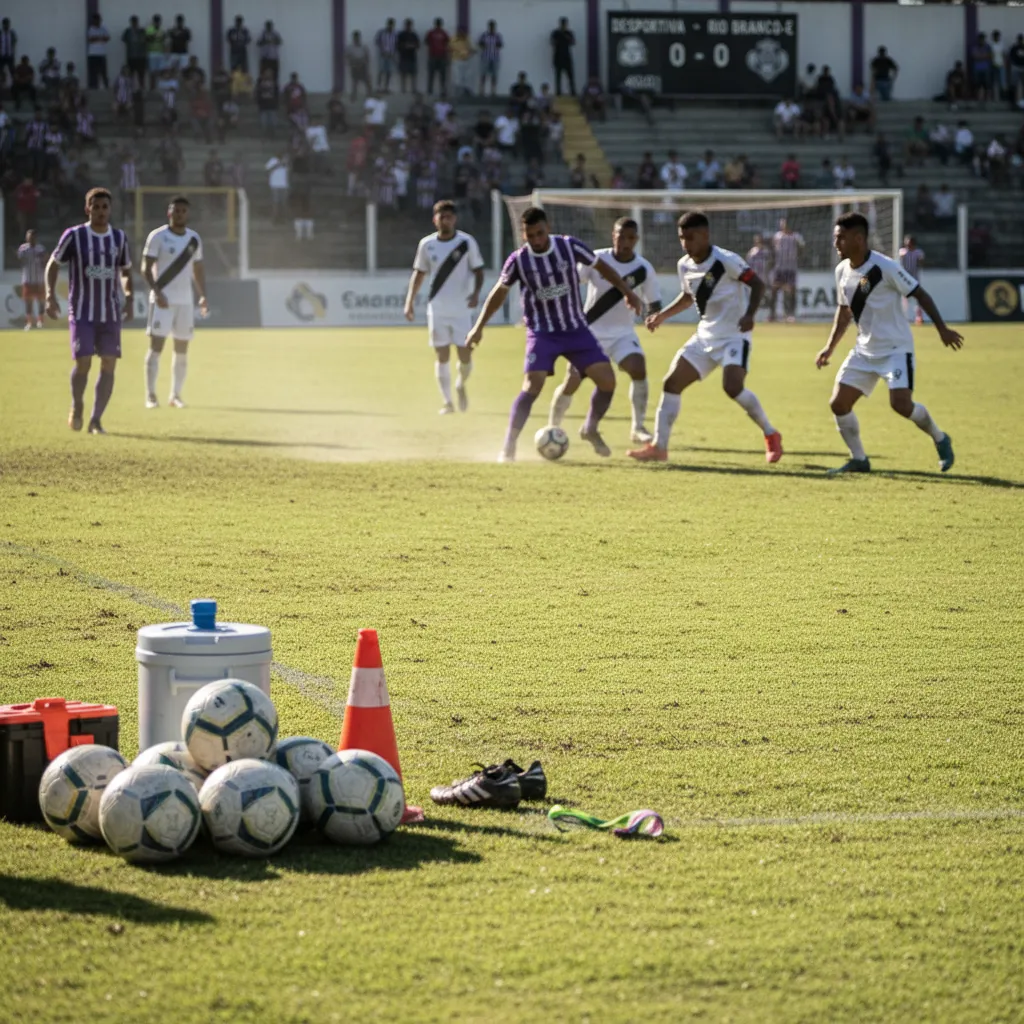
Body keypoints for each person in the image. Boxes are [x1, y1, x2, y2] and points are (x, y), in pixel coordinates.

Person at [468, 206, 642, 462]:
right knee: (532, 385)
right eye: (530, 235)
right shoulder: (518, 260)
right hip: (542, 333)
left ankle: (590, 427)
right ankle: (509, 445)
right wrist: (478, 327)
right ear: (523, 233)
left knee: (608, 382)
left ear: (548, 228)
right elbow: (499, 293)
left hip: (575, 329)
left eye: (540, 233)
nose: (536, 240)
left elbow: (602, 267)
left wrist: (628, 292)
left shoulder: (569, 246)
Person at [627, 211, 780, 465]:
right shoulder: (684, 265)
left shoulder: (726, 260)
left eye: (690, 237)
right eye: (681, 238)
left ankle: (771, 434)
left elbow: (758, 285)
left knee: (732, 387)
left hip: (734, 336)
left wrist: (750, 314)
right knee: (671, 383)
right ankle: (659, 447)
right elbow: (689, 297)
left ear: (705, 235)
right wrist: (662, 315)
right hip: (705, 335)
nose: (686, 243)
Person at [817, 211, 960, 475]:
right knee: (838, 404)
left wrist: (942, 329)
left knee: (901, 405)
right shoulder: (841, 271)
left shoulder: (886, 267)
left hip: (895, 349)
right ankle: (859, 459)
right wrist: (830, 347)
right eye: (836, 238)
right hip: (864, 350)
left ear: (858, 239)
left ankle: (940, 438)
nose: (836, 244)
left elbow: (920, 294)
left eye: (841, 238)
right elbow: (844, 311)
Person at [548, 217, 661, 444]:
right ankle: (552, 426)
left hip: (622, 334)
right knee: (572, 381)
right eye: (621, 237)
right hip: (590, 333)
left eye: (630, 238)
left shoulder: (643, 268)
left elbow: (654, 303)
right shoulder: (596, 259)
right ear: (613, 236)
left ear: (636, 240)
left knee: (638, 368)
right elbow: (570, 283)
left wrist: (652, 316)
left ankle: (637, 428)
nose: (625, 242)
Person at [45, 187, 134, 435]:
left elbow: (126, 270)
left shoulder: (119, 238)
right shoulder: (74, 235)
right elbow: (54, 263)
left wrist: (129, 296)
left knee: (108, 364)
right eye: (96, 207)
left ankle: (96, 420)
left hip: (110, 314)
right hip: (82, 312)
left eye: (105, 207)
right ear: (88, 209)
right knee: (83, 363)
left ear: (110, 210)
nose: (101, 211)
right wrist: (50, 295)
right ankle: (78, 403)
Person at [404, 200, 485, 415]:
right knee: (441, 355)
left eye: (449, 217)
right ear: (435, 220)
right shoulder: (426, 245)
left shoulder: (467, 242)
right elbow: (419, 273)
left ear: (454, 219)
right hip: (437, 309)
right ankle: (447, 402)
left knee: (465, 355)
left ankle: (460, 383)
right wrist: (409, 301)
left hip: (462, 309)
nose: (445, 220)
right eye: (442, 217)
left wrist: (476, 293)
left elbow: (478, 270)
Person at [142, 196, 207, 409]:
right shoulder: (158, 237)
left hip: (185, 302)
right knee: (156, 346)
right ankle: (151, 395)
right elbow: (145, 268)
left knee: (182, 349)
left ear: (188, 214)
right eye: (175, 210)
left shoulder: (194, 239)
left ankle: (175, 395)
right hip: (162, 301)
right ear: (169, 213)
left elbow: (197, 269)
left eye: (183, 211)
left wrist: (202, 295)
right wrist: (157, 292)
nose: (179, 214)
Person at [770, 217, 805, 322]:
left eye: (785, 223)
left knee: (791, 291)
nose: (783, 225)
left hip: (791, 268)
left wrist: (796, 257)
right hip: (779, 268)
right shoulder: (777, 236)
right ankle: (772, 314)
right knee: (774, 290)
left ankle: (791, 314)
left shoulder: (796, 236)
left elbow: (802, 248)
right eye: (782, 224)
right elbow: (773, 249)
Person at [18, 229, 47, 329]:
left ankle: (40, 321)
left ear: (35, 238)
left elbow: (45, 262)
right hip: (28, 279)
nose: (30, 239)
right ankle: (29, 322)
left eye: (32, 237)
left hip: (39, 279)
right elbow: (20, 262)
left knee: (41, 301)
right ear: (26, 238)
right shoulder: (23, 249)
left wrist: (43, 260)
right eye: (28, 237)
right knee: (28, 302)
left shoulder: (41, 249)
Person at [899, 235, 925, 325]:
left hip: (915, 279)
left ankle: (919, 318)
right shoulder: (903, 252)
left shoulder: (918, 253)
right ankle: (903, 318)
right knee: (904, 299)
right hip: (904, 279)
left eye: (909, 244)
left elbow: (922, 262)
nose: (908, 246)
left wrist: (920, 260)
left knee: (918, 299)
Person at [425, 18, 450, 97]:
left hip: (442, 57)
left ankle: (443, 91)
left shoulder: (444, 33)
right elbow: (426, 42)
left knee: (443, 76)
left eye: (439, 24)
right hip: (433, 56)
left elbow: (447, 44)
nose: (438, 25)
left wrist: (447, 57)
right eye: (437, 23)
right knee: (431, 75)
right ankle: (430, 90)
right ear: (435, 24)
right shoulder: (431, 33)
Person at [551, 18, 575, 97]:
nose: (564, 26)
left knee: (570, 75)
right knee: (558, 75)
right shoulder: (556, 33)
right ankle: (558, 92)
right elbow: (552, 42)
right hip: (558, 56)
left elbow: (573, 42)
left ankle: (573, 91)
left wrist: (566, 37)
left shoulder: (569, 33)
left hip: (567, 56)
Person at [478, 21, 502, 97]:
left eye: (493, 26)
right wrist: (484, 45)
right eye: (490, 26)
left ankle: (493, 91)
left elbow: (500, 45)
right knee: (483, 74)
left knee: (494, 75)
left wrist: (497, 45)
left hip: (495, 57)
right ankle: (482, 91)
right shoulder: (484, 35)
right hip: (485, 57)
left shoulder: (497, 36)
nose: (492, 28)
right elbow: (480, 44)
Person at [87, 13, 110, 90]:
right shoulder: (91, 29)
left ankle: (106, 85)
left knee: (103, 71)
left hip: (102, 53)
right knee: (93, 72)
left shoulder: (104, 28)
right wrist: (101, 38)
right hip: (93, 53)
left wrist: (97, 38)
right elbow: (91, 40)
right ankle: (93, 86)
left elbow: (107, 38)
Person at [122, 16, 147, 88]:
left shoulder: (142, 31)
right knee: (130, 74)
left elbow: (146, 40)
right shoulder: (127, 31)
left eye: (135, 22)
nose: (134, 23)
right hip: (131, 56)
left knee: (141, 75)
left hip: (141, 56)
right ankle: (130, 88)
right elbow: (124, 40)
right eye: (133, 22)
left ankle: (142, 89)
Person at [347, 31, 372, 101]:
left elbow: (367, 57)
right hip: (354, 67)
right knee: (355, 82)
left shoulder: (364, 47)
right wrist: (353, 63)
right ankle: (353, 97)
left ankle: (369, 96)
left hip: (363, 66)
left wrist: (363, 63)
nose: (356, 39)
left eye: (357, 37)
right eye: (355, 38)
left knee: (367, 82)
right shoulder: (350, 48)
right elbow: (347, 57)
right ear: (353, 38)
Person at [375, 19, 398, 93]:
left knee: (389, 72)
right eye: (389, 24)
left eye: (392, 25)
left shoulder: (395, 34)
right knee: (381, 71)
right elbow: (377, 42)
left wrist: (393, 54)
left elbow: (396, 44)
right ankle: (379, 87)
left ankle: (387, 88)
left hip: (391, 55)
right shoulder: (382, 33)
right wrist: (382, 50)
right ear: (387, 24)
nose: (390, 26)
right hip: (383, 55)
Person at [397, 19, 419, 93]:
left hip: (412, 57)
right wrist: (405, 46)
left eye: (410, 25)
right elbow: (397, 45)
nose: (408, 26)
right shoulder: (401, 35)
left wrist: (411, 46)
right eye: (407, 25)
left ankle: (413, 89)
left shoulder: (414, 35)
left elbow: (418, 45)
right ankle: (403, 89)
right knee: (403, 74)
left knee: (413, 75)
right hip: (403, 57)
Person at [145, 15, 166, 91]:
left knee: (160, 71)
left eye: (158, 21)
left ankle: (160, 87)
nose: (157, 23)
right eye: (156, 21)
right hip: (151, 53)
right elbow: (148, 39)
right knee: (152, 72)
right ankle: (152, 88)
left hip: (160, 53)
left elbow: (163, 39)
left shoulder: (162, 30)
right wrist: (156, 36)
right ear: (153, 22)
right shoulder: (149, 29)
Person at [266, 152, 289, 222]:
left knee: (283, 203)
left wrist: (286, 163)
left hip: (284, 185)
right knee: (275, 203)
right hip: (275, 185)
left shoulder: (286, 161)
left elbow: (289, 171)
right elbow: (268, 170)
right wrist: (278, 164)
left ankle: (282, 218)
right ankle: (275, 218)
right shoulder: (272, 160)